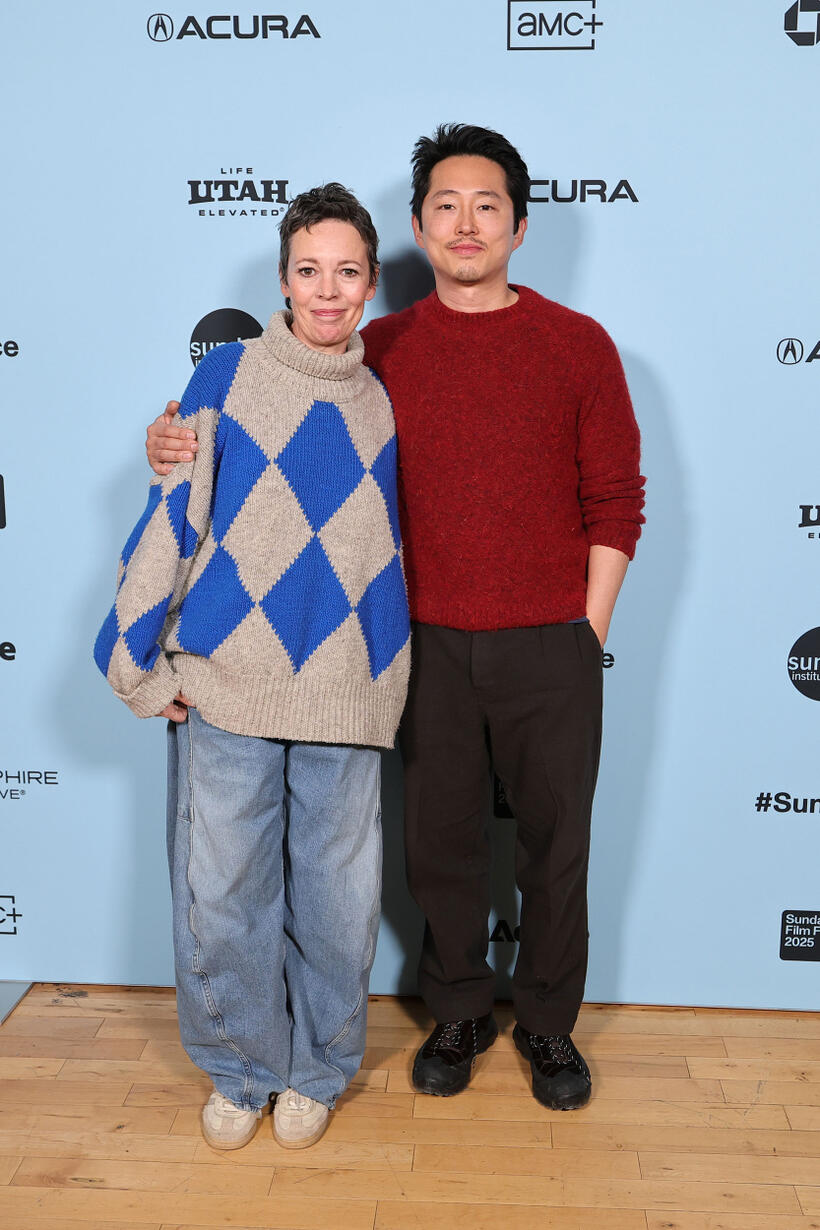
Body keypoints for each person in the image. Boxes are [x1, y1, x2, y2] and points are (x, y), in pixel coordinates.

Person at [145, 124, 645, 1112]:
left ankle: (548, 1026)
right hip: (416, 646)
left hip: (551, 642)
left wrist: (585, 632)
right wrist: (174, 437)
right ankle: (455, 1009)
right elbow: (272, 412)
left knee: (558, 846)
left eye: (486, 205)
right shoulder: (377, 353)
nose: (465, 222)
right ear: (418, 227)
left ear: (518, 224)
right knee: (439, 846)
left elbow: (615, 501)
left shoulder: (578, 346)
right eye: (445, 206)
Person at [95, 184, 410, 1151]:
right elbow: (171, 516)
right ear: (281, 280)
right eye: (308, 271)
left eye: (347, 272)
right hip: (228, 678)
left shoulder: (384, 401)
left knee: (340, 901)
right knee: (223, 892)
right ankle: (242, 1068)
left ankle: (317, 1069)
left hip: (347, 691)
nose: (328, 290)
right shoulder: (224, 376)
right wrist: (133, 660)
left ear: (367, 285)